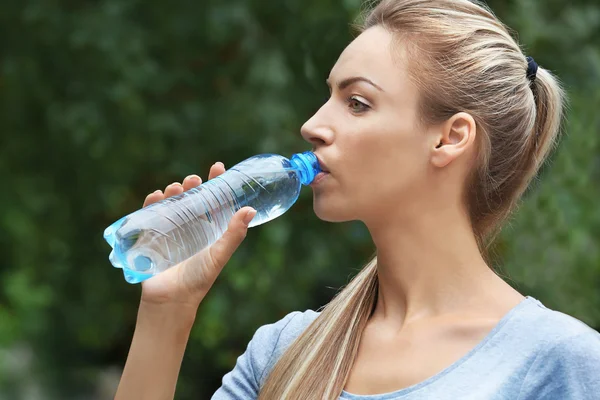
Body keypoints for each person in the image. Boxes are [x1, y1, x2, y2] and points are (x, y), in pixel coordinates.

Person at [114, 0, 600, 399]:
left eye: (357, 103)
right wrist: (168, 311)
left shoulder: (557, 363)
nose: (312, 126)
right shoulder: (285, 352)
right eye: (330, 96)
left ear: (450, 138)